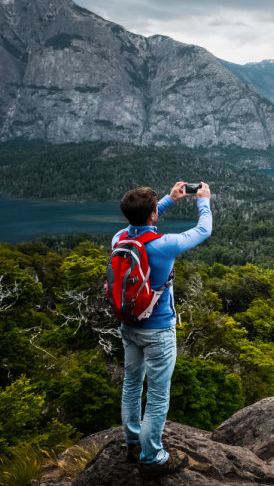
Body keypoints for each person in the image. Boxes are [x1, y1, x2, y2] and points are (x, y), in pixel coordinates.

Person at [113, 181, 212, 477]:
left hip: (128, 325)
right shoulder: (165, 245)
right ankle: (153, 456)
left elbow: (140, 222)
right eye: (156, 211)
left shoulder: (119, 239)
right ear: (154, 215)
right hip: (158, 330)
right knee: (157, 395)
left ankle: (132, 444)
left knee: (132, 384)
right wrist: (202, 201)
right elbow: (203, 230)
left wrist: (168, 200)